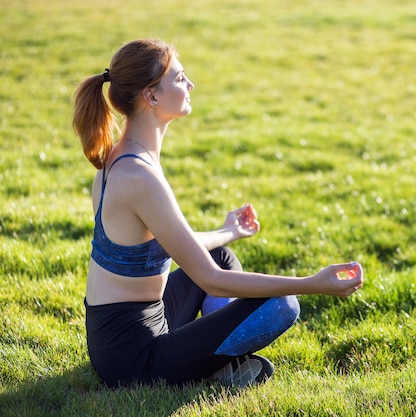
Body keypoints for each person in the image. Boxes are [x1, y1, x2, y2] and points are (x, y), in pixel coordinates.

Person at [72, 39, 363, 388]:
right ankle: (218, 366)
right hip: (133, 360)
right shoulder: (140, 178)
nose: (190, 84)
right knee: (283, 303)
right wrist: (313, 284)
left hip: (123, 333)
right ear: (151, 96)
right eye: (180, 79)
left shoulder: (120, 158)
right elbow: (209, 278)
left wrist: (229, 231)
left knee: (222, 253)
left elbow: (169, 245)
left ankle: (217, 357)